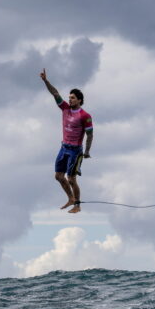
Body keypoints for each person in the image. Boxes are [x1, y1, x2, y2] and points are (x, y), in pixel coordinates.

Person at [40, 68, 93, 214]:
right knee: (58, 176)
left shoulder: (85, 116)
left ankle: (77, 204)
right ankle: (70, 198)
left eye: (73, 98)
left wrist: (87, 152)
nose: (70, 100)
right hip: (64, 148)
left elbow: (90, 135)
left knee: (71, 178)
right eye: (69, 97)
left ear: (80, 100)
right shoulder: (65, 108)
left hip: (75, 151)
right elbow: (55, 93)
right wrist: (46, 81)